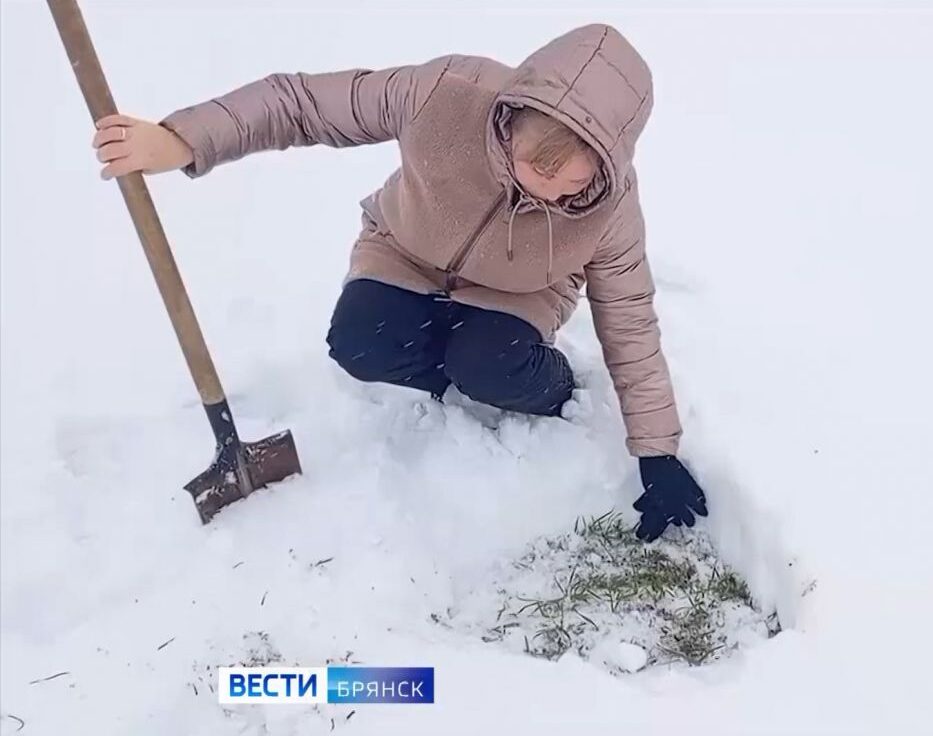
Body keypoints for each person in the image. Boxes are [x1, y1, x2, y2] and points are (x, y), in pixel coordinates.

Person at [89, 24, 706, 542]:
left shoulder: (610, 206)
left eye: (567, 184)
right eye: (530, 167)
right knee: (360, 343)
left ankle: (539, 381)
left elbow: (629, 316)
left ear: (604, 163)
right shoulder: (445, 93)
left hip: (520, 292)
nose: (541, 191)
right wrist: (183, 139)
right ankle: (454, 371)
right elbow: (302, 103)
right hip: (406, 251)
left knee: (488, 364)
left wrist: (657, 452)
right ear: (511, 120)